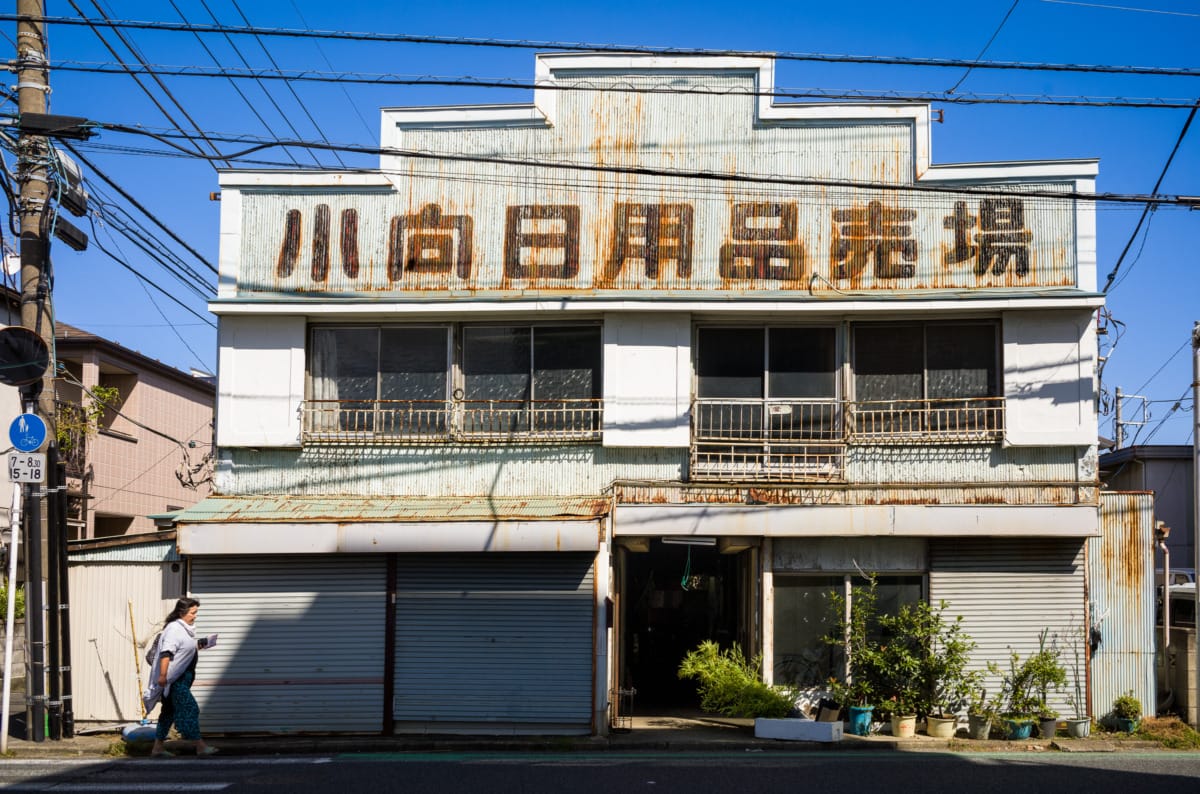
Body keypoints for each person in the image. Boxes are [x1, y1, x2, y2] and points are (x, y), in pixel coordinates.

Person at [148, 597, 217, 757]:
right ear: (182, 612)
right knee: (190, 709)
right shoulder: (174, 629)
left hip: (180, 679)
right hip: (175, 681)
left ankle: (157, 748)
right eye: (193, 613)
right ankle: (200, 746)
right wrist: (163, 676)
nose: (195, 616)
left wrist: (201, 644)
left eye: (196, 612)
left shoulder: (183, 629)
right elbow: (167, 653)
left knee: (168, 712)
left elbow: (184, 648)